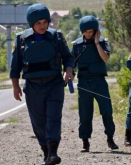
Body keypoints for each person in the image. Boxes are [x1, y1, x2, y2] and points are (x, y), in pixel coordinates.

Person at [10, 4, 74, 165]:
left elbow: (68, 58)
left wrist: (68, 71)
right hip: (32, 87)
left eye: (45, 22)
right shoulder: (21, 40)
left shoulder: (57, 37)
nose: (42, 26)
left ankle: (53, 152)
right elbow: (15, 66)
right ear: (32, 24)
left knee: (54, 117)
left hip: (54, 84)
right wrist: (15, 86)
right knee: (38, 122)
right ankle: (45, 150)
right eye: (38, 23)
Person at [71, 15, 118, 152]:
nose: (88, 34)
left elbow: (105, 58)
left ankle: (110, 138)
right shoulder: (77, 45)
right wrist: (68, 74)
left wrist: (97, 43)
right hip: (84, 82)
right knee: (85, 113)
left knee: (107, 111)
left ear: (96, 31)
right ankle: (85, 142)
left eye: (91, 31)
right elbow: (71, 64)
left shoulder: (103, 42)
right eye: (85, 32)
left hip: (100, 82)